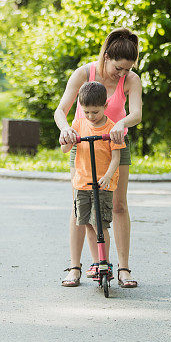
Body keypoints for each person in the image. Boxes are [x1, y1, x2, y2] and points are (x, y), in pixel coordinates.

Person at [55, 27, 142, 288]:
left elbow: (136, 114)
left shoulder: (131, 80)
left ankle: (123, 269)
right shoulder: (84, 74)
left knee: (118, 205)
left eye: (127, 69)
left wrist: (122, 123)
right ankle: (75, 266)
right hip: (83, 147)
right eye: (119, 68)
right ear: (106, 56)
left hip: (114, 146)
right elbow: (61, 110)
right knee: (80, 206)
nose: (122, 74)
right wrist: (66, 129)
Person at [60, 82, 125, 287]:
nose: (90, 116)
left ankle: (104, 261)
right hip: (82, 182)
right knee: (87, 222)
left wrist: (107, 176)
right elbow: (65, 150)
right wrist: (66, 136)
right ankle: (96, 262)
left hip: (102, 183)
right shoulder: (79, 124)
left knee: (100, 223)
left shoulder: (111, 128)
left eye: (95, 112)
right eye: (86, 111)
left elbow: (116, 157)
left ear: (105, 106)